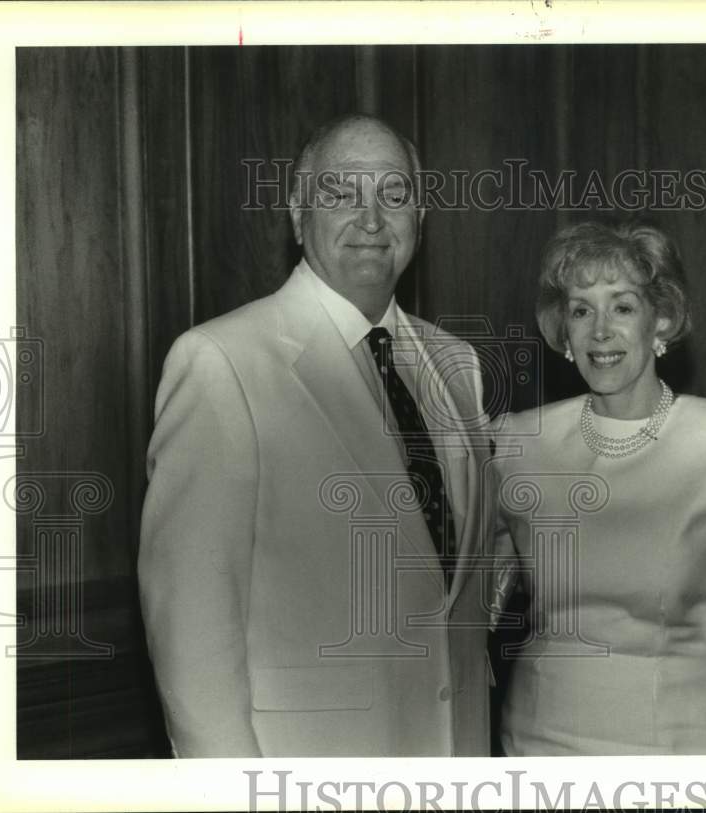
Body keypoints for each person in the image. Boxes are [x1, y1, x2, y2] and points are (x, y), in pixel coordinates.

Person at [138, 114, 495, 757]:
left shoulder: (458, 365)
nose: (371, 219)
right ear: (298, 214)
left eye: (393, 195)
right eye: (341, 194)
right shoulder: (222, 362)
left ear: (421, 217)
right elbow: (189, 629)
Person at [491, 220, 706, 755]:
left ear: (660, 320)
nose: (600, 332)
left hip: (678, 754)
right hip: (535, 750)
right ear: (563, 332)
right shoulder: (518, 443)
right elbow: (469, 613)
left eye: (622, 306)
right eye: (581, 309)